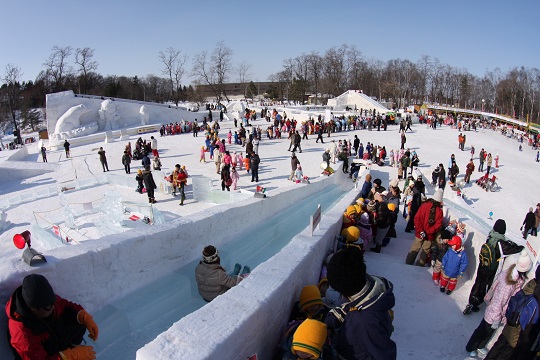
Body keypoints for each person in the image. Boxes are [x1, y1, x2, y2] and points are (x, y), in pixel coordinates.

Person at [325, 246, 396, 359]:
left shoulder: (365, 320)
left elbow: (384, 355)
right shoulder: (365, 288)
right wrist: (331, 320)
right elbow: (349, 307)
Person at [6, 274, 98, 360]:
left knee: (78, 322)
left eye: (53, 302)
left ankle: (72, 348)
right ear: (33, 308)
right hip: (42, 354)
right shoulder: (22, 334)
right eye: (49, 306)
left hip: (53, 338)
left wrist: (84, 316)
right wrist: (68, 356)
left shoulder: (45, 300)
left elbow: (65, 305)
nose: (53, 307)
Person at [466, 251, 532, 358]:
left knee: (490, 331)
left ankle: (481, 345)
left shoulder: (516, 277)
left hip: (500, 312)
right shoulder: (507, 284)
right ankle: (471, 347)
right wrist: (496, 317)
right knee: (483, 330)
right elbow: (498, 301)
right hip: (494, 312)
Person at [464, 219, 524, 314]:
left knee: (478, 282)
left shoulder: (490, 236)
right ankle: (477, 303)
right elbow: (513, 249)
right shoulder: (500, 243)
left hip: (483, 264)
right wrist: (522, 248)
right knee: (486, 286)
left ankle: (471, 301)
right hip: (491, 269)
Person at [405, 189, 444, 266]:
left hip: (419, 233)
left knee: (415, 248)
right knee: (425, 251)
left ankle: (408, 263)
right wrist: (427, 232)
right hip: (430, 235)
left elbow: (417, 218)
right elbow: (437, 226)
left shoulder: (424, 206)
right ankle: (419, 265)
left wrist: (421, 230)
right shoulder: (439, 211)